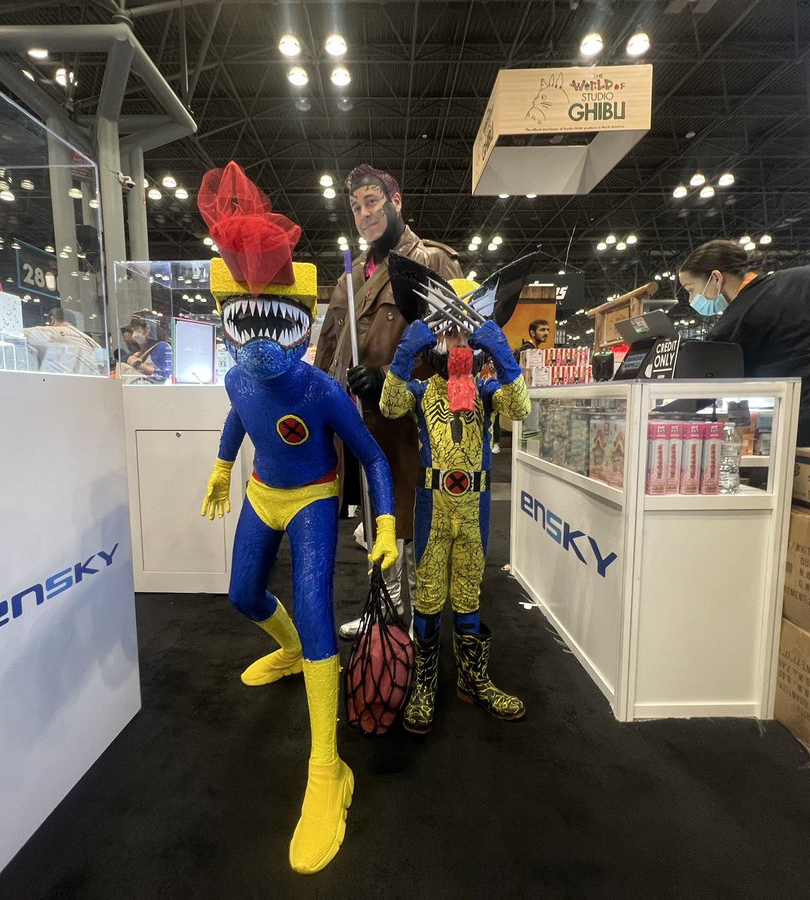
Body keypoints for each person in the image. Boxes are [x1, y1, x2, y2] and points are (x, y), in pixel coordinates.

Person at [196, 161, 398, 874]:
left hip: (312, 496)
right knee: (243, 595)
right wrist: (223, 466)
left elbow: (371, 455)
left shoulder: (321, 390)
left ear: (299, 320)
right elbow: (239, 413)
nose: (256, 345)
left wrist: (387, 523)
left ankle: (327, 768)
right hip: (261, 491)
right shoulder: (236, 375)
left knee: (316, 611)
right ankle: (287, 651)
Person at [379, 252, 534, 734]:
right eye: (448, 332)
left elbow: (521, 409)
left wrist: (503, 353)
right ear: (435, 337)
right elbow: (388, 404)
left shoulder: (486, 393)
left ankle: (473, 679)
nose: (458, 341)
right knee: (428, 597)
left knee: (468, 594)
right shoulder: (424, 391)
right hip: (432, 506)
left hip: (474, 510)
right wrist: (405, 351)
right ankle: (425, 684)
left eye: (467, 333)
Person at [312, 163, 462, 639]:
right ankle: (387, 607)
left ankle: (423, 618)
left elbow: (456, 355)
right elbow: (329, 348)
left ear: (396, 202)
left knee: (416, 520)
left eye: (373, 201)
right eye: (356, 206)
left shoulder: (432, 261)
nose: (364, 213)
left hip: (414, 426)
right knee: (377, 519)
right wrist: (320, 400)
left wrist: (393, 379)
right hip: (361, 424)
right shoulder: (352, 275)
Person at [678, 240, 810, 447]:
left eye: (690, 289)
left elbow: (704, 390)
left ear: (716, 277)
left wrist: (657, 411)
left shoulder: (734, 323)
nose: (691, 299)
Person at [24, 306, 104, 375]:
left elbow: (19, 333)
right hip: (90, 386)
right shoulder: (93, 343)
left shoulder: (51, 332)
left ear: (53, 320)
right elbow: (100, 371)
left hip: (59, 386)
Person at [123, 309, 172, 383]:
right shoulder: (144, 349)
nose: (133, 335)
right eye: (133, 331)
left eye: (136, 329)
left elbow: (166, 375)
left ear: (147, 329)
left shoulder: (162, 347)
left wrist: (137, 364)